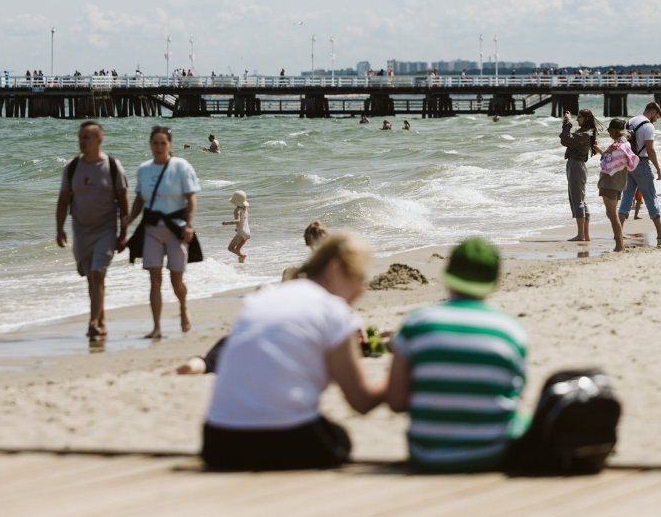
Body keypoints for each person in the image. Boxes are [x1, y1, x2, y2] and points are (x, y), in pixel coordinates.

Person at [202, 234, 386, 470]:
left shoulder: (262, 300)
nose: (362, 290)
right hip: (285, 438)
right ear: (334, 269)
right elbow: (362, 401)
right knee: (340, 439)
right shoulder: (333, 310)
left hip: (218, 443)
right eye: (359, 278)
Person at [386, 238, 529, 472]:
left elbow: (396, 402)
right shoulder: (511, 331)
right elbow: (516, 395)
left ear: (447, 275)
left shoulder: (416, 324)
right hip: (491, 452)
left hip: (426, 453)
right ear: (495, 282)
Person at [121, 125, 199, 339]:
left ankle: (183, 307)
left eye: (163, 143)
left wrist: (189, 225)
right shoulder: (144, 169)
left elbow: (191, 198)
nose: (158, 147)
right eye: (155, 143)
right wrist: (129, 219)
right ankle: (156, 327)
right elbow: (139, 199)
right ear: (150, 145)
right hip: (152, 229)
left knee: (176, 281)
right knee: (154, 279)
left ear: (170, 145)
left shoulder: (181, 167)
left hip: (176, 229)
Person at [54, 121, 129, 340]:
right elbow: (63, 200)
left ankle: (93, 323)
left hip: (106, 230)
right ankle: (101, 318)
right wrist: (59, 229)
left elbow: (124, 202)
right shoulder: (72, 167)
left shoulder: (113, 166)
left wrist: (123, 233)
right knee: (91, 278)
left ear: (99, 139)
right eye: (80, 137)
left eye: (87, 137)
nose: (82, 141)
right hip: (81, 231)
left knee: (98, 274)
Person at [619, 103, 661, 244]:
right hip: (641, 163)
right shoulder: (648, 126)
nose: (655, 120)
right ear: (652, 112)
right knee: (651, 196)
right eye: (656, 116)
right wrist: (658, 168)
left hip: (628, 164)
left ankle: (619, 232)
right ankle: (660, 233)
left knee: (626, 198)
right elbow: (650, 150)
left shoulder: (630, 121)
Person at [598, 118, 638, 252]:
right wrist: (601, 150)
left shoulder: (616, 146)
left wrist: (605, 153)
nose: (609, 133)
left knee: (612, 215)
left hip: (610, 182)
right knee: (611, 214)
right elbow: (616, 160)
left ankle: (619, 246)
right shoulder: (624, 145)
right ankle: (619, 243)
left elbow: (607, 163)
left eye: (609, 130)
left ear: (614, 131)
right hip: (619, 182)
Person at [560, 109, 600, 242]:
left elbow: (565, 139)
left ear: (586, 118)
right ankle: (585, 235)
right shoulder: (586, 132)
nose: (577, 120)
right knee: (580, 200)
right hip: (576, 165)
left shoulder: (585, 134)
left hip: (576, 166)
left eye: (579, 117)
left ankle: (580, 235)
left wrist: (568, 122)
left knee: (578, 201)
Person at [224, 190, 251, 263]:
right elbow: (243, 221)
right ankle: (241, 263)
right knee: (237, 250)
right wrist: (237, 228)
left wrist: (227, 223)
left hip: (241, 233)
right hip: (247, 232)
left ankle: (242, 256)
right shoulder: (245, 209)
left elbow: (238, 220)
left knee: (230, 248)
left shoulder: (237, 210)